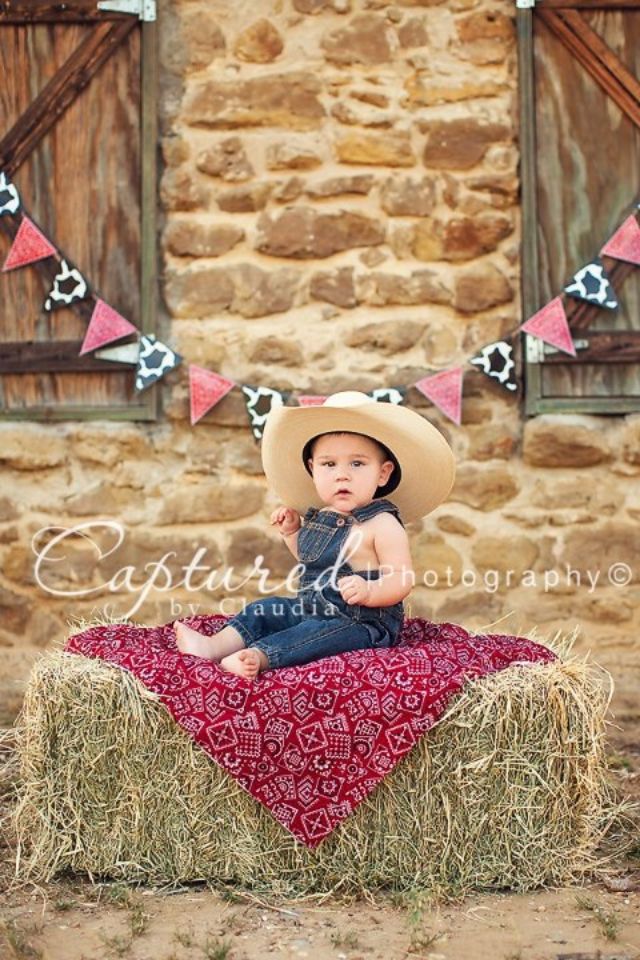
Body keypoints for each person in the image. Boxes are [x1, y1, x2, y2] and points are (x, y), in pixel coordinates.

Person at [175, 391, 455, 680]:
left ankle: (258, 656)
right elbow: (313, 560)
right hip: (310, 609)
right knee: (266, 608)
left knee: (318, 635)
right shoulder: (324, 516)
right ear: (313, 469)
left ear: (382, 474)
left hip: (360, 624)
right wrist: (292, 533)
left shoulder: (382, 524)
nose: (342, 475)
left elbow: (401, 578)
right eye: (329, 464)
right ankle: (213, 646)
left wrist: (371, 591)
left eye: (357, 464)